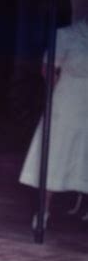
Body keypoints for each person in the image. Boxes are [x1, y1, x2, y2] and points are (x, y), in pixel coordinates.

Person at [19, 17, 88, 229]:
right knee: (55, 154)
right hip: (67, 101)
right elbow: (48, 69)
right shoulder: (66, 35)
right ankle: (43, 211)